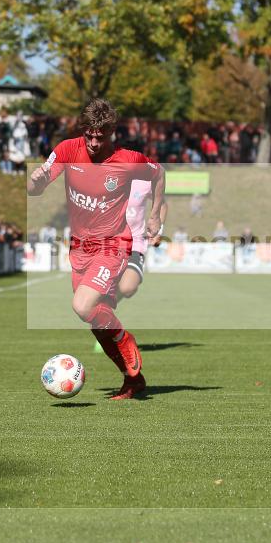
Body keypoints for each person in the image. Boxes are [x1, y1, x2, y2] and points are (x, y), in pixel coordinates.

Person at [27, 98, 165, 400]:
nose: (92, 142)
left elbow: (158, 173)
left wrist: (155, 214)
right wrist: (36, 181)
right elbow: (34, 189)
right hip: (79, 249)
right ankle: (133, 380)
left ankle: (124, 339)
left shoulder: (127, 160)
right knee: (94, 321)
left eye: (99, 137)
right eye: (88, 135)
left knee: (82, 305)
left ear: (111, 133)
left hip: (113, 244)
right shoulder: (67, 150)